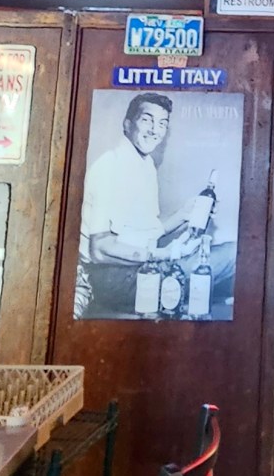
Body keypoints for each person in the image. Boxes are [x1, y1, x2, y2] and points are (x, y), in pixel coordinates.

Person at [75, 94, 218, 317]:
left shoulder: (145, 164)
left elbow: (145, 232)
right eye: (147, 120)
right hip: (111, 277)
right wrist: (166, 254)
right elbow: (100, 249)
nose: (154, 130)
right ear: (127, 124)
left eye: (162, 123)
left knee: (225, 254)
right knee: (229, 261)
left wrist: (183, 214)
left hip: (135, 269)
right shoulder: (109, 165)